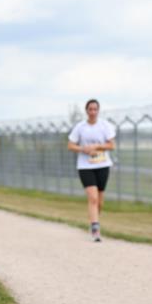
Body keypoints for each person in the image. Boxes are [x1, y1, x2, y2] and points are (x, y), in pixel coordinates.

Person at [67, 99, 116, 241]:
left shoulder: (105, 125)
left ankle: (94, 222)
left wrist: (97, 147)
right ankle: (96, 230)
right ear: (86, 111)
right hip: (85, 166)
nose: (93, 112)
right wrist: (83, 149)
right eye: (90, 109)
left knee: (99, 201)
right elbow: (70, 145)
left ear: (98, 111)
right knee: (92, 198)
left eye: (95, 109)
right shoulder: (80, 127)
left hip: (102, 165)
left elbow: (111, 145)